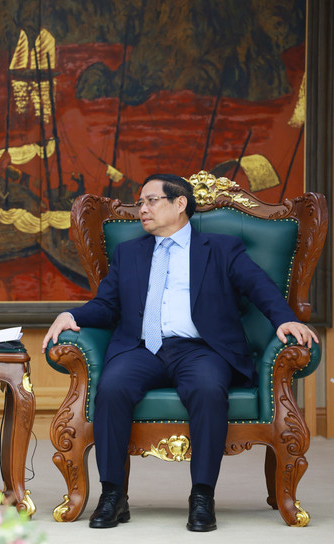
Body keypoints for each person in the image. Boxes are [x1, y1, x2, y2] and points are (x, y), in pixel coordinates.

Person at [41, 174, 317, 532]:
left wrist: (285, 319)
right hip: (142, 349)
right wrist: (72, 315)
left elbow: (259, 286)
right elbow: (107, 305)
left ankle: (202, 496)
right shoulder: (129, 253)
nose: (142, 209)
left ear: (180, 203)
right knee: (111, 387)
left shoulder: (221, 248)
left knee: (207, 389)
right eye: (140, 202)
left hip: (200, 350)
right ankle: (113, 495)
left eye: (151, 200)